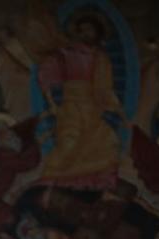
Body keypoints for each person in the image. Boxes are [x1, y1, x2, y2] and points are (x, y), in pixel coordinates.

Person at [35, 12, 124, 188]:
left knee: (106, 145)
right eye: (81, 30)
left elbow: (105, 89)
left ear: (98, 33)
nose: (85, 34)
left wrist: (116, 109)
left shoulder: (101, 57)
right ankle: (48, 186)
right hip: (71, 107)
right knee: (69, 143)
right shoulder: (66, 54)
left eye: (89, 30)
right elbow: (46, 74)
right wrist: (53, 104)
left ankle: (92, 187)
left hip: (93, 109)